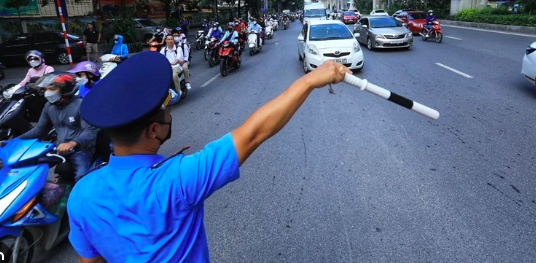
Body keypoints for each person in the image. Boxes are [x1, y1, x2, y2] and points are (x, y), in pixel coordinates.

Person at [67, 52, 348, 262]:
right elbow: (254, 133)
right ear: (154, 130)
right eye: (166, 113)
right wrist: (311, 79)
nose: (170, 116)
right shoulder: (177, 180)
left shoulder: (81, 194)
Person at [18, 73, 97, 182]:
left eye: (52, 89)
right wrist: (14, 141)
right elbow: (38, 130)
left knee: (81, 177)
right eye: (46, 89)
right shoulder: (49, 107)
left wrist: (72, 143)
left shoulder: (81, 105)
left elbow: (90, 131)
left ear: (65, 90)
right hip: (58, 148)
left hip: (81, 150)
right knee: (26, 164)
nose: (47, 93)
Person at [160, 34, 183, 100]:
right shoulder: (163, 50)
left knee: (174, 75)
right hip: (167, 68)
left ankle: (178, 91)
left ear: (173, 40)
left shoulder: (178, 48)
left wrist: (173, 63)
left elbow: (177, 59)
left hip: (176, 66)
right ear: (166, 40)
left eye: (171, 39)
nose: (170, 41)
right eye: (168, 39)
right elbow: (160, 58)